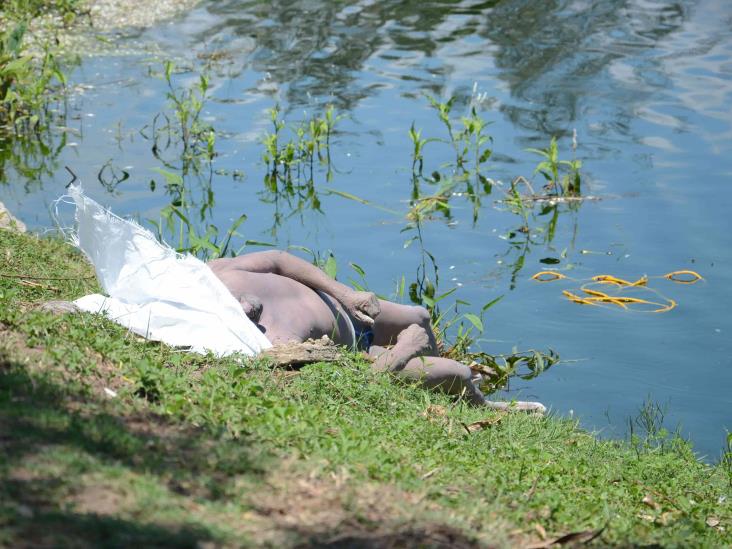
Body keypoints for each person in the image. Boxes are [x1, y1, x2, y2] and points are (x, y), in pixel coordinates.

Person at [209, 250, 545, 412]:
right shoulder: (272, 343)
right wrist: (403, 351)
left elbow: (279, 260)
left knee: (420, 315)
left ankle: (435, 386)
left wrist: (343, 293)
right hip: (360, 354)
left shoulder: (219, 274)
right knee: (456, 372)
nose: (246, 309)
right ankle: (480, 405)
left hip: (349, 309)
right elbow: (350, 382)